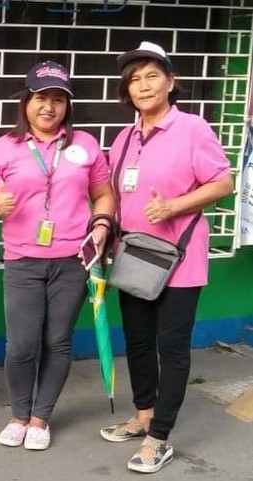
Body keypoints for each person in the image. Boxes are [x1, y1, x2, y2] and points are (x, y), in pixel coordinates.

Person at [99, 42, 233, 474]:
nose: (143, 84)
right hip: (134, 258)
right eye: (134, 79)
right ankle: (143, 415)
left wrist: (174, 206)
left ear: (171, 82)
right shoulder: (124, 136)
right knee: (137, 341)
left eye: (152, 75)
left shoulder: (192, 128)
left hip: (179, 260)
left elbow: (222, 182)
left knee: (170, 348)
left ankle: (160, 438)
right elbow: (115, 193)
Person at [0, 61, 115, 451]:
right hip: (22, 260)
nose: (48, 107)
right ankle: (19, 414)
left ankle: (41, 417)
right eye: (40, 98)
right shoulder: (4, 147)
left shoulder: (84, 145)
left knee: (57, 341)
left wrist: (101, 223)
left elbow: (103, 193)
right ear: (26, 102)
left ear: (67, 105)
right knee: (21, 344)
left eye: (57, 100)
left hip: (72, 260)